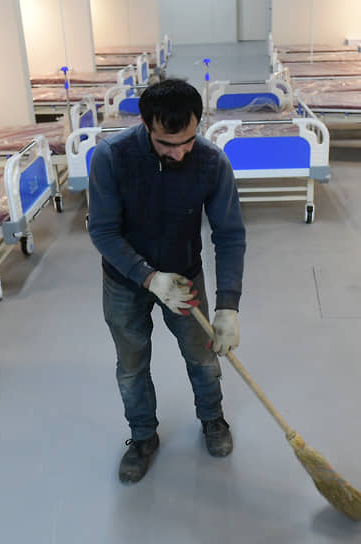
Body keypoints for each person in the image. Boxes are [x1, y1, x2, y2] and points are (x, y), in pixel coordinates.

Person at [88, 79, 246, 484]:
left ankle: (212, 418)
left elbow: (229, 235)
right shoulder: (111, 157)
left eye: (188, 141)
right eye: (166, 144)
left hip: (184, 276)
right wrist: (148, 277)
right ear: (145, 125)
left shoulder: (211, 162)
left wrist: (227, 306)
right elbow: (103, 230)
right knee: (131, 366)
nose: (179, 153)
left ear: (199, 124)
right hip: (124, 281)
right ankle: (142, 437)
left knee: (203, 358)